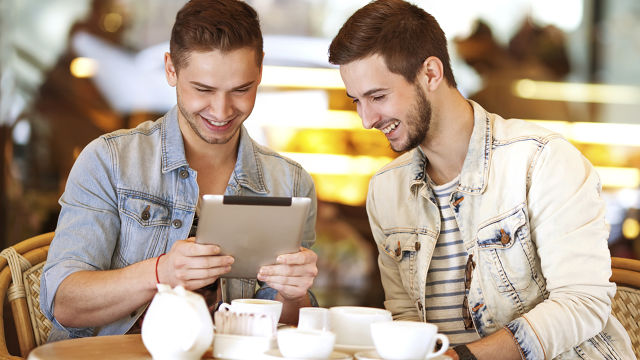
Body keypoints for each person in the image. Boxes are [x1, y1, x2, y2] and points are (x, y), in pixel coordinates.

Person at [328, 1, 634, 359]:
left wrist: (463, 358)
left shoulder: (542, 160)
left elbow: (582, 303)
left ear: (430, 73)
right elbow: (406, 319)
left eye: (377, 97)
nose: (367, 119)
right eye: (357, 101)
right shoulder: (385, 190)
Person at [41, 0, 318, 341]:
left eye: (241, 90)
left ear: (260, 72)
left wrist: (293, 294)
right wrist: (162, 272)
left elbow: (283, 329)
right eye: (203, 89)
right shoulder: (109, 161)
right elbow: (64, 302)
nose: (222, 110)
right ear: (171, 69)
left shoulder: (290, 182)